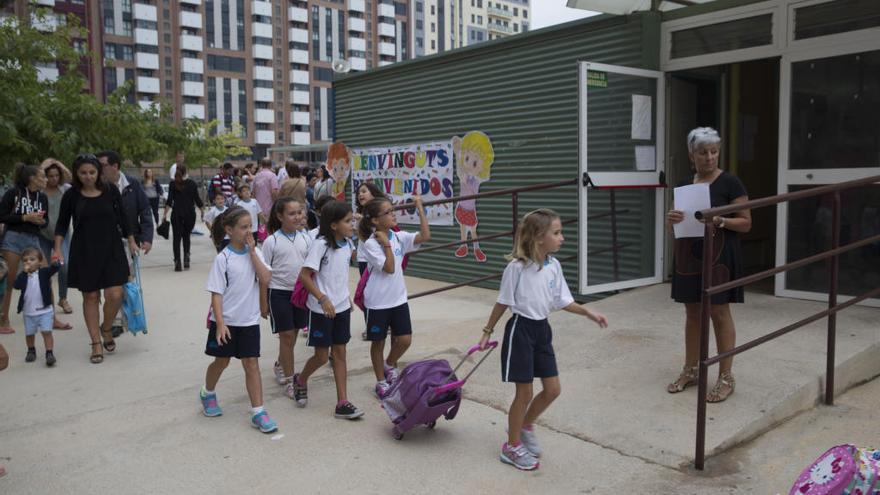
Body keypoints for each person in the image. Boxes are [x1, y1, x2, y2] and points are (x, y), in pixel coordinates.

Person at [478, 209, 608, 471]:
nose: (562, 238)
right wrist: (487, 331)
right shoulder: (516, 268)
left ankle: (525, 425)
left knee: (552, 390)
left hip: (542, 330)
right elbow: (502, 302)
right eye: (557, 233)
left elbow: (563, 300)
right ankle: (511, 446)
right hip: (521, 331)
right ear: (539, 237)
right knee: (524, 392)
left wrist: (588, 312)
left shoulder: (553, 266)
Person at [665, 127, 751, 403]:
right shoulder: (685, 184)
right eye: (703, 152)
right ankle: (691, 369)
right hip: (689, 254)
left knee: (718, 312)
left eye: (714, 152)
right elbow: (676, 225)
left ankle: (726, 376)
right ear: (692, 155)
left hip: (720, 255)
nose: (710, 157)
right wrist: (672, 220)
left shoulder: (731, 183)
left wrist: (720, 220)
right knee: (692, 312)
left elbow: (746, 223)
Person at [54, 154, 139, 364]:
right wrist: (57, 248)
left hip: (111, 248)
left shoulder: (110, 190)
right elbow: (62, 224)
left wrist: (131, 240)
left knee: (115, 295)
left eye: (92, 172)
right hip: (84, 250)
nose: (88, 176)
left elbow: (124, 218)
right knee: (90, 297)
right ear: (76, 174)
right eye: (83, 173)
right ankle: (96, 343)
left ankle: (106, 327)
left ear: (98, 172)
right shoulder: (71, 196)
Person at [201, 206, 277, 433]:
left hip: (249, 320)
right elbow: (216, 293)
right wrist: (221, 323)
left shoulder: (257, 252)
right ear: (229, 230)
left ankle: (258, 412)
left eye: (250, 227)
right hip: (225, 321)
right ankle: (208, 392)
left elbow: (265, 278)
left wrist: (253, 252)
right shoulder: (223, 258)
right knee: (221, 362)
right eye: (243, 228)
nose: (248, 232)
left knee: (251, 364)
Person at [290, 201, 364, 419]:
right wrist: (323, 299)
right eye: (348, 221)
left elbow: (338, 275)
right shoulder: (320, 245)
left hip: (341, 307)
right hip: (321, 308)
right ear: (333, 225)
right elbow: (304, 276)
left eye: (352, 220)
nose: (352, 224)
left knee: (340, 353)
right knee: (322, 357)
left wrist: (345, 298)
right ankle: (300, 380)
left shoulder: (348, 243)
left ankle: (342, 402)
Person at [358, 194, 430, 398]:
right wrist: (386, 245)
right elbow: (389, 268)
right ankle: (380, 382)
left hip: (398, 299)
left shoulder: (398, 236)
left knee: (405, 340)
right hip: (377, 302)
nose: (393, 215)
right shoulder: (371, 244)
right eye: (388, 212)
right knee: (378, 342)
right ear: (375, 220)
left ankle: (389, 365)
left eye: (392, 210)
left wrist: (420, 208)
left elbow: (425, 236)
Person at [97, 150, 153, 337]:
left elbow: (144, 210)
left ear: (115, 166)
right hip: (103, 243)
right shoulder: (96, 187)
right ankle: (112, 321)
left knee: (125, 283)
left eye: (103, 165)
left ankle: (121, 318)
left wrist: (146, 238)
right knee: (110, 284)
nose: (99, 168)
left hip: (129, 242)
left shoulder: (132, 185)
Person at [260, 197, 310, 397]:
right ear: (280, 216)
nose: (297, 217)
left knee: (294, 333)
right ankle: (291, 380)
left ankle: (280, 363)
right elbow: (263, 275)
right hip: (278, 293)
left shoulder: (306, 238)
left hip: (300, 293)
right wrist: (263, 302)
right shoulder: (271, 241)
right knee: (287, 335)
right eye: (292, 213)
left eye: (299, 212)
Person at [0, 164, 49, 335]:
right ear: (32, 178)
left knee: (45, 275)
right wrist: (24, 217)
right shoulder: (13, 193)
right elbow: (2, 215)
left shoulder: (42, 198)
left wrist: (42, 221)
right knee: (9, 280)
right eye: (42, 176)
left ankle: (50, 316)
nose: (46, 179)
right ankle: (3, 318)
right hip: (13, 238)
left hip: (33, 238)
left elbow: (46, 220)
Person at [14, 247, 60, 366]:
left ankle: (49, 353)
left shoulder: (44, 273)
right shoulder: (23, 276)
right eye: (25, 260)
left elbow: (54, 269)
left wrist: (56, 262)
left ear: (40, 262)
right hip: (29, 312)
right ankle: (31, 350)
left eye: (32, 259)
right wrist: (24, 272)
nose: (28, 262)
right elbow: (16, 286)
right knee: (29, 333)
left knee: (46, 332)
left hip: (45, 310)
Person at [40, 160, 74, 316]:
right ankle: (46, 300)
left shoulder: (65, 189)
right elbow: (37, 175)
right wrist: (44, 165)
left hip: (62, 234)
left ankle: (63, 298)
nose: (54, 179)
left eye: (56, 175)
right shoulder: (39, 191)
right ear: (45, 177)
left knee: (64, 265)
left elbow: (70, 176)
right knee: (44, 269)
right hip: (43, 234)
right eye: (50, 176)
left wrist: (58, 164)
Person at [164, 165, 204, 272]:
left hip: (177, 213)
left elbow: (169, 201)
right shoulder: (192, 184)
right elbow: (197, 199)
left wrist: (164, 214)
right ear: (186, 172)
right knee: (186, 236)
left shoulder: (173, 184)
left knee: (176, 239)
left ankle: (177, 262)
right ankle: (186, 258)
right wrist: (202, 211)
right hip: (190, 214)